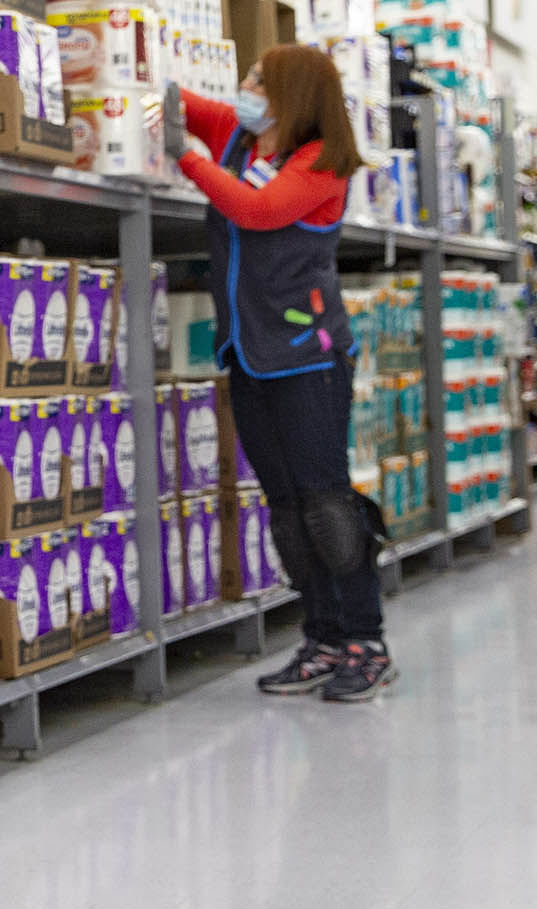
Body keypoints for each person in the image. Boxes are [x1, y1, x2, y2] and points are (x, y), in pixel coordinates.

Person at [175, 44, 393, 701]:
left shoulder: (323, 160)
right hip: (249, 351)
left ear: (293, 94)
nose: (243, 89)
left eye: (258, 81)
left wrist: (185, 157)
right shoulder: (240, 137)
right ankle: (322, 638)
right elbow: (174, 97)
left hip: (309, 353)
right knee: (287, 510)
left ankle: (366, 640)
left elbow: (258, 210)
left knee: (325, 503)